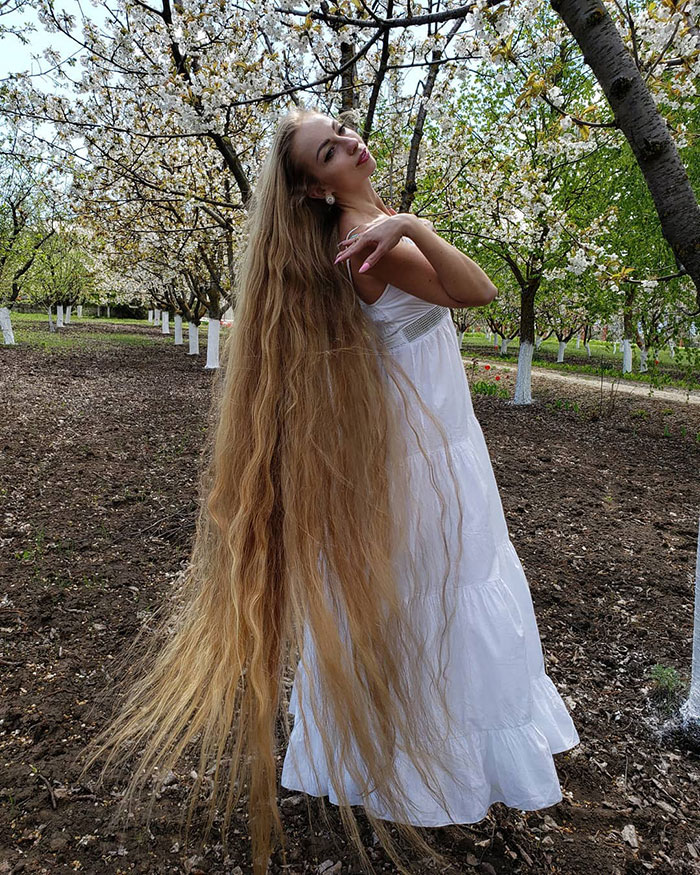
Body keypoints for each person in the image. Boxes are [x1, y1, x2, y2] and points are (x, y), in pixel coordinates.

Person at [77, 106, 580, 875]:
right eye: (329, 149)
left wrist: (404, 222)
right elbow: (475, 291)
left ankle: (412, 759)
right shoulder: (364, 243)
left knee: (438, 599)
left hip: (438, 442)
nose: (350, 141)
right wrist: (410, 224)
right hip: (427, 456)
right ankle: (415, 770)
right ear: (314, 188)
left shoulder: (368, 227)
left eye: (342, 131)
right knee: (436, 603)